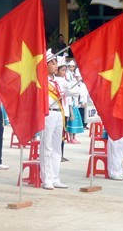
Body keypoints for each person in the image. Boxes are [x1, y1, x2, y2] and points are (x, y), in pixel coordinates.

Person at [40, 49, 68, 190]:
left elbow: (72, 91)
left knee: (57, 147)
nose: (55, 65)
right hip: (48, 114)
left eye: (56, 63)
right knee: (47, 146)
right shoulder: (41, 81)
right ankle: (47, 179)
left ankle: (56, 177)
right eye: (52, 63)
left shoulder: (60, 81)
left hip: (59, 114)